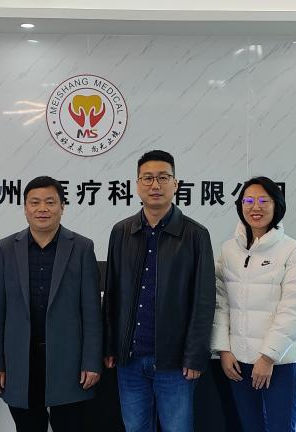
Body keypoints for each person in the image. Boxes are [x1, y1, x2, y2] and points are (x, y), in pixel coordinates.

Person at [103, 150, 216, 432]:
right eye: (148, 178)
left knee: (178, 428)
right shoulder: (121, 232)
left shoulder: (195, 234)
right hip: (130, 360)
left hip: (175, 363)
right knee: (135, 428)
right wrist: (110, 345)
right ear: (137, 185)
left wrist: (194, 355)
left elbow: (203, 301)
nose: (155, 185)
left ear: (175, 184)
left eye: (163, 178)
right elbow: (112, 294)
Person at [0, 176, 103, 432]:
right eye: (35, 202)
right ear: (25, 207)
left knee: (70, 426)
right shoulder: (6, 248)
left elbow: (92, 313)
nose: (42, 209)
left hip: (69, 359)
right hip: (21, 359)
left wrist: (91, 361)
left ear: (62, 206)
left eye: (50, 202)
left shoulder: (82, 247)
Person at [211, 176, 296, 432]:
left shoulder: (293, 251)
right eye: (248, 201)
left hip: (279, 365)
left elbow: (295, 309)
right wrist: (223, 350)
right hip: (238, 363)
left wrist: (268, 357)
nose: (255, 207)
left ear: (276, 205)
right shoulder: (228, 250)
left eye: (263, 201)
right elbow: (220, 303)